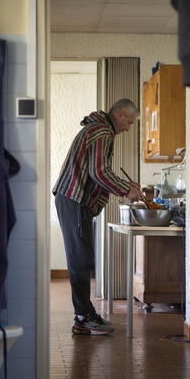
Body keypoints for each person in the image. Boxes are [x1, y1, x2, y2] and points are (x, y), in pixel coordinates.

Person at [53, 98, 144, 335]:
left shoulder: (96, 128)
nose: (128, 128)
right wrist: (126, 190)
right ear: (120, 115)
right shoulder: (103, 132)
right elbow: (99, 172)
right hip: (74, 198)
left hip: (71, 197)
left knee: (81, 256)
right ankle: (83, 316)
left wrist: (126, 184)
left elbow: (99, 170)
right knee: (80, 258)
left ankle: (84, 314)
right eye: (130, 122)